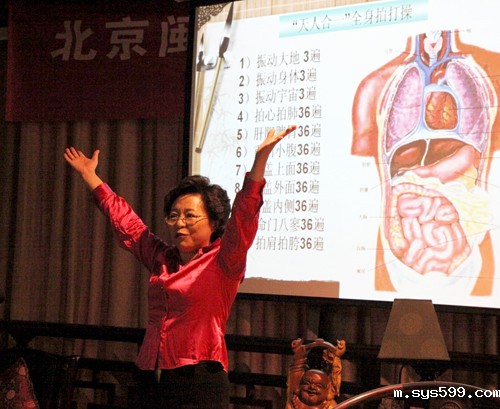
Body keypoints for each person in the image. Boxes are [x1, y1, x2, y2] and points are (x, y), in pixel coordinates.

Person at [63, 125, 296, 409]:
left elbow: (245, 215)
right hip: (149, 375)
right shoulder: (163, 258)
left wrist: (260, 160)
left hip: (198, 380)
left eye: (190, 216)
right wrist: (90, 175)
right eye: (173, 216)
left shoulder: (225, 260)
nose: (179, 223)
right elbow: (128, 223)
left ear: (214, 222)